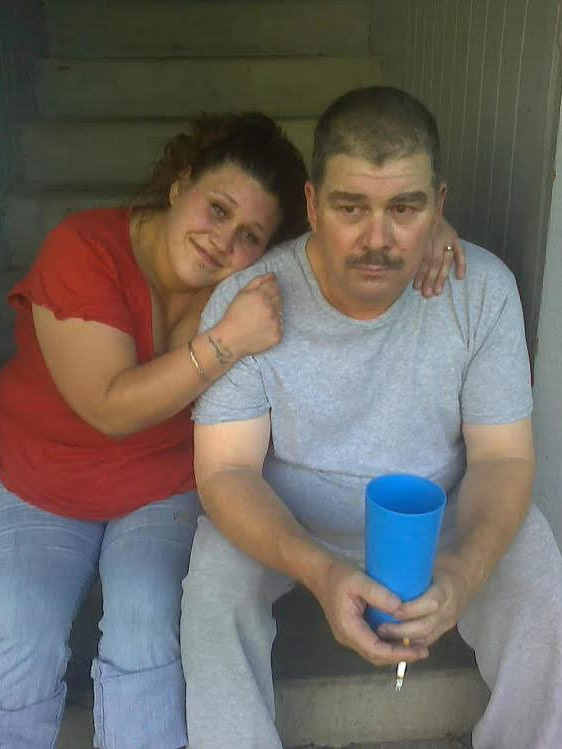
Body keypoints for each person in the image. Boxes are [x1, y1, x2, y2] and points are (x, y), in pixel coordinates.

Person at [0, 111, 461, 749]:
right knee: (20, 627)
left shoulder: (250, 281)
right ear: (178, 184)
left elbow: (340, 242)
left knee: (145, 615)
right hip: (42, 481)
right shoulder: (84, 248)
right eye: (216, 210)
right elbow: (108, 406)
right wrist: (226, 341)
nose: (222, 241)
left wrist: (431, 228)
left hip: (162, 485)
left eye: (250, 235)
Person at [181, 87, 562, 749]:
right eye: (350, 207)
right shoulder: (249, 300)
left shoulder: (483, 289)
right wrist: (320, 571)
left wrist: (464, 573)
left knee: (534, 562)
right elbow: (225, 473)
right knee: (214, 582)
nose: (378, 240)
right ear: (311, 205)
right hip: (291, 519)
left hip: (440, 515)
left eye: (405, 208)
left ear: (438, 205)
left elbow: (503, 457)